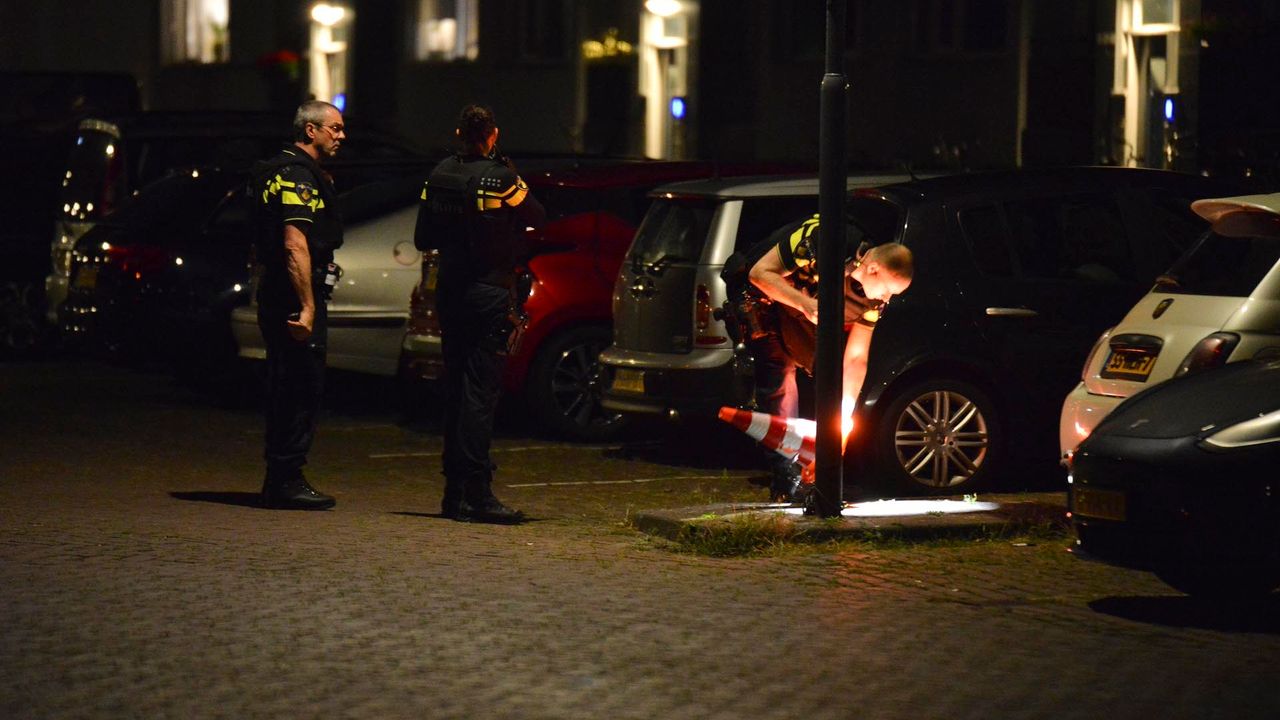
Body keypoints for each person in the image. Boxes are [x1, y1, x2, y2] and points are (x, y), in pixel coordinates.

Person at [722, 213, 913, 502]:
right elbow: (760, 274)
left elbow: (856, 358)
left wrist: (842, 426)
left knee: (822, 371)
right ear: (873, 268)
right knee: (780, 373)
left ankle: (815, 464)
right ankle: (786, 478)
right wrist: (805, 304)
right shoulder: (822, 239)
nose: (886, 299)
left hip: (804, 308)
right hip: (762, 295)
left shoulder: (871, 301)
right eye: (888, 290)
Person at [414, 104, 545, 524]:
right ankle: (477, 492)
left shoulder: (439, 175)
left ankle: (453, 493)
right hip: (489, 290)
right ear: (493, 134)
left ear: (458, 134)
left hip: (450, 290)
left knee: (457, 388)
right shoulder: (503, 179)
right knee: (480, 392)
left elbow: (422, 236)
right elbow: (537, 216)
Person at [251, 100, 346, 510]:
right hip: (292, 295)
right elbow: (295, 243)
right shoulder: (296, 176)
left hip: (276, 289)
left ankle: (281, 476)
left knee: (285, 383)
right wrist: (307, 305)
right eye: (335, 129)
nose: (341, 136)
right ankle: (286, 478)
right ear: (311, 131)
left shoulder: (273, 169)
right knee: (300, 385)